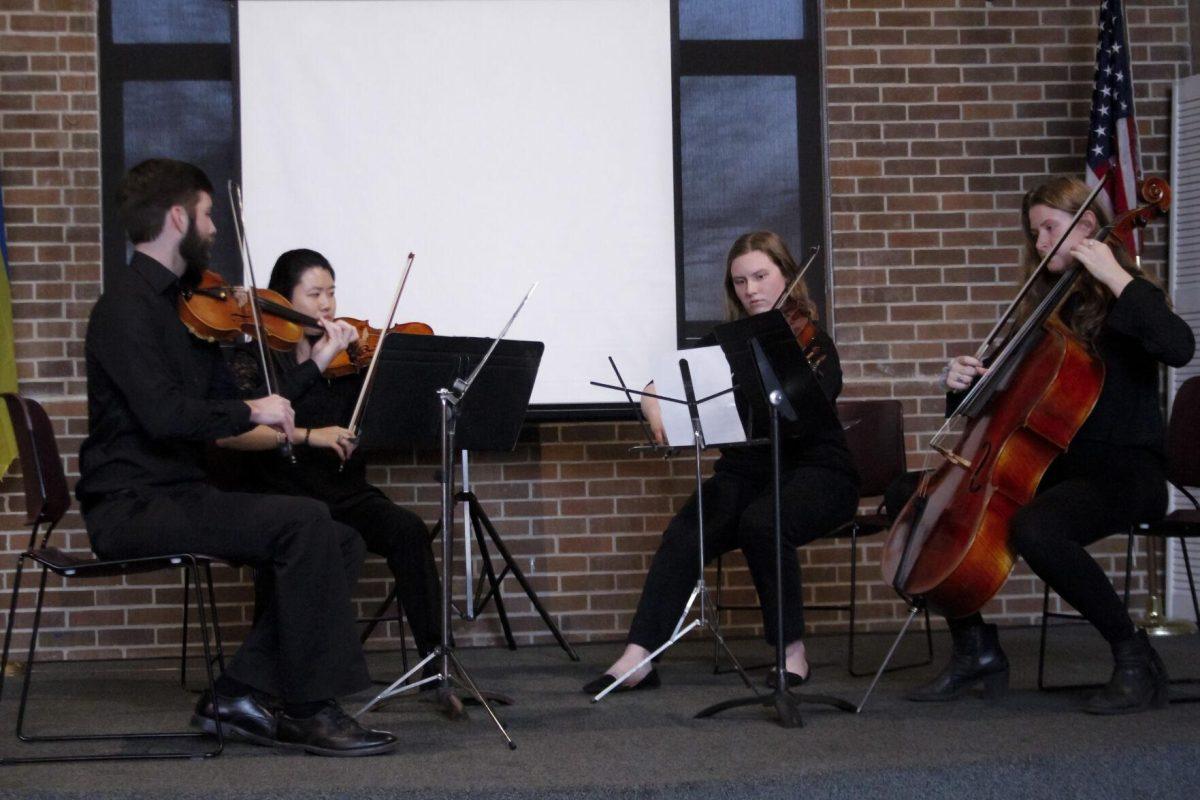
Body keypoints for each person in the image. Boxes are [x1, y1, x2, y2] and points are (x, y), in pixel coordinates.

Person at [75, 158, 397, 756]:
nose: (215, 227)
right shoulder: (125, 308)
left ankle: (241, 690)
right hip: (133, 503)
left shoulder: (183, 309)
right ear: (178, 218)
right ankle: (307, 709)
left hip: (178, 491)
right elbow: (167, 415)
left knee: (341, 538)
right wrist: (251, 412)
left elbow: (240, 403)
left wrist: (313, 367)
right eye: (206, 213)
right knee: (303, 523)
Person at [908, 176, 1194, 714]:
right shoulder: (1045, 315)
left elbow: (1179, 347)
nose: (1039, 244)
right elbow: (1003, 413)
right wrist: (966, 386)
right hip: (1056, 468)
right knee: (919, 495)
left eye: (1048, 229)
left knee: (1036, 527)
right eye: (1034, 232)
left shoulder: (1130, 296)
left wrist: (1116, 278)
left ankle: (1134, 657)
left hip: (1127, 471)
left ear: (1087, 227)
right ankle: (976, 649)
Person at [583, 231, 860, 693]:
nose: (750, 290)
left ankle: (792, 654)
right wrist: (654, 401)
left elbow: (804, 413)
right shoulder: (723, 341)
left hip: (818, 470)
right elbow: (669, 382)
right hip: (747, 471)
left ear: (787, 276)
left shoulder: (814, 342)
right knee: (685, 531)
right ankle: (639, 657)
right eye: (740, 281)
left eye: (761, 276)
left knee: (762, 522)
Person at [224, 248, 442, 665]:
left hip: (344, 491)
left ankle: (436, 663)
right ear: (285, 302)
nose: (326, 305)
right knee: (324, 540)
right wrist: (312, 434)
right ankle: (288, 663)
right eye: (314, 294)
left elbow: (377, 420)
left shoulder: (348, 361)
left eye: (331, 293)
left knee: (408, 530)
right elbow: (237, 433)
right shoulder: (257, 362)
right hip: (285, 492)